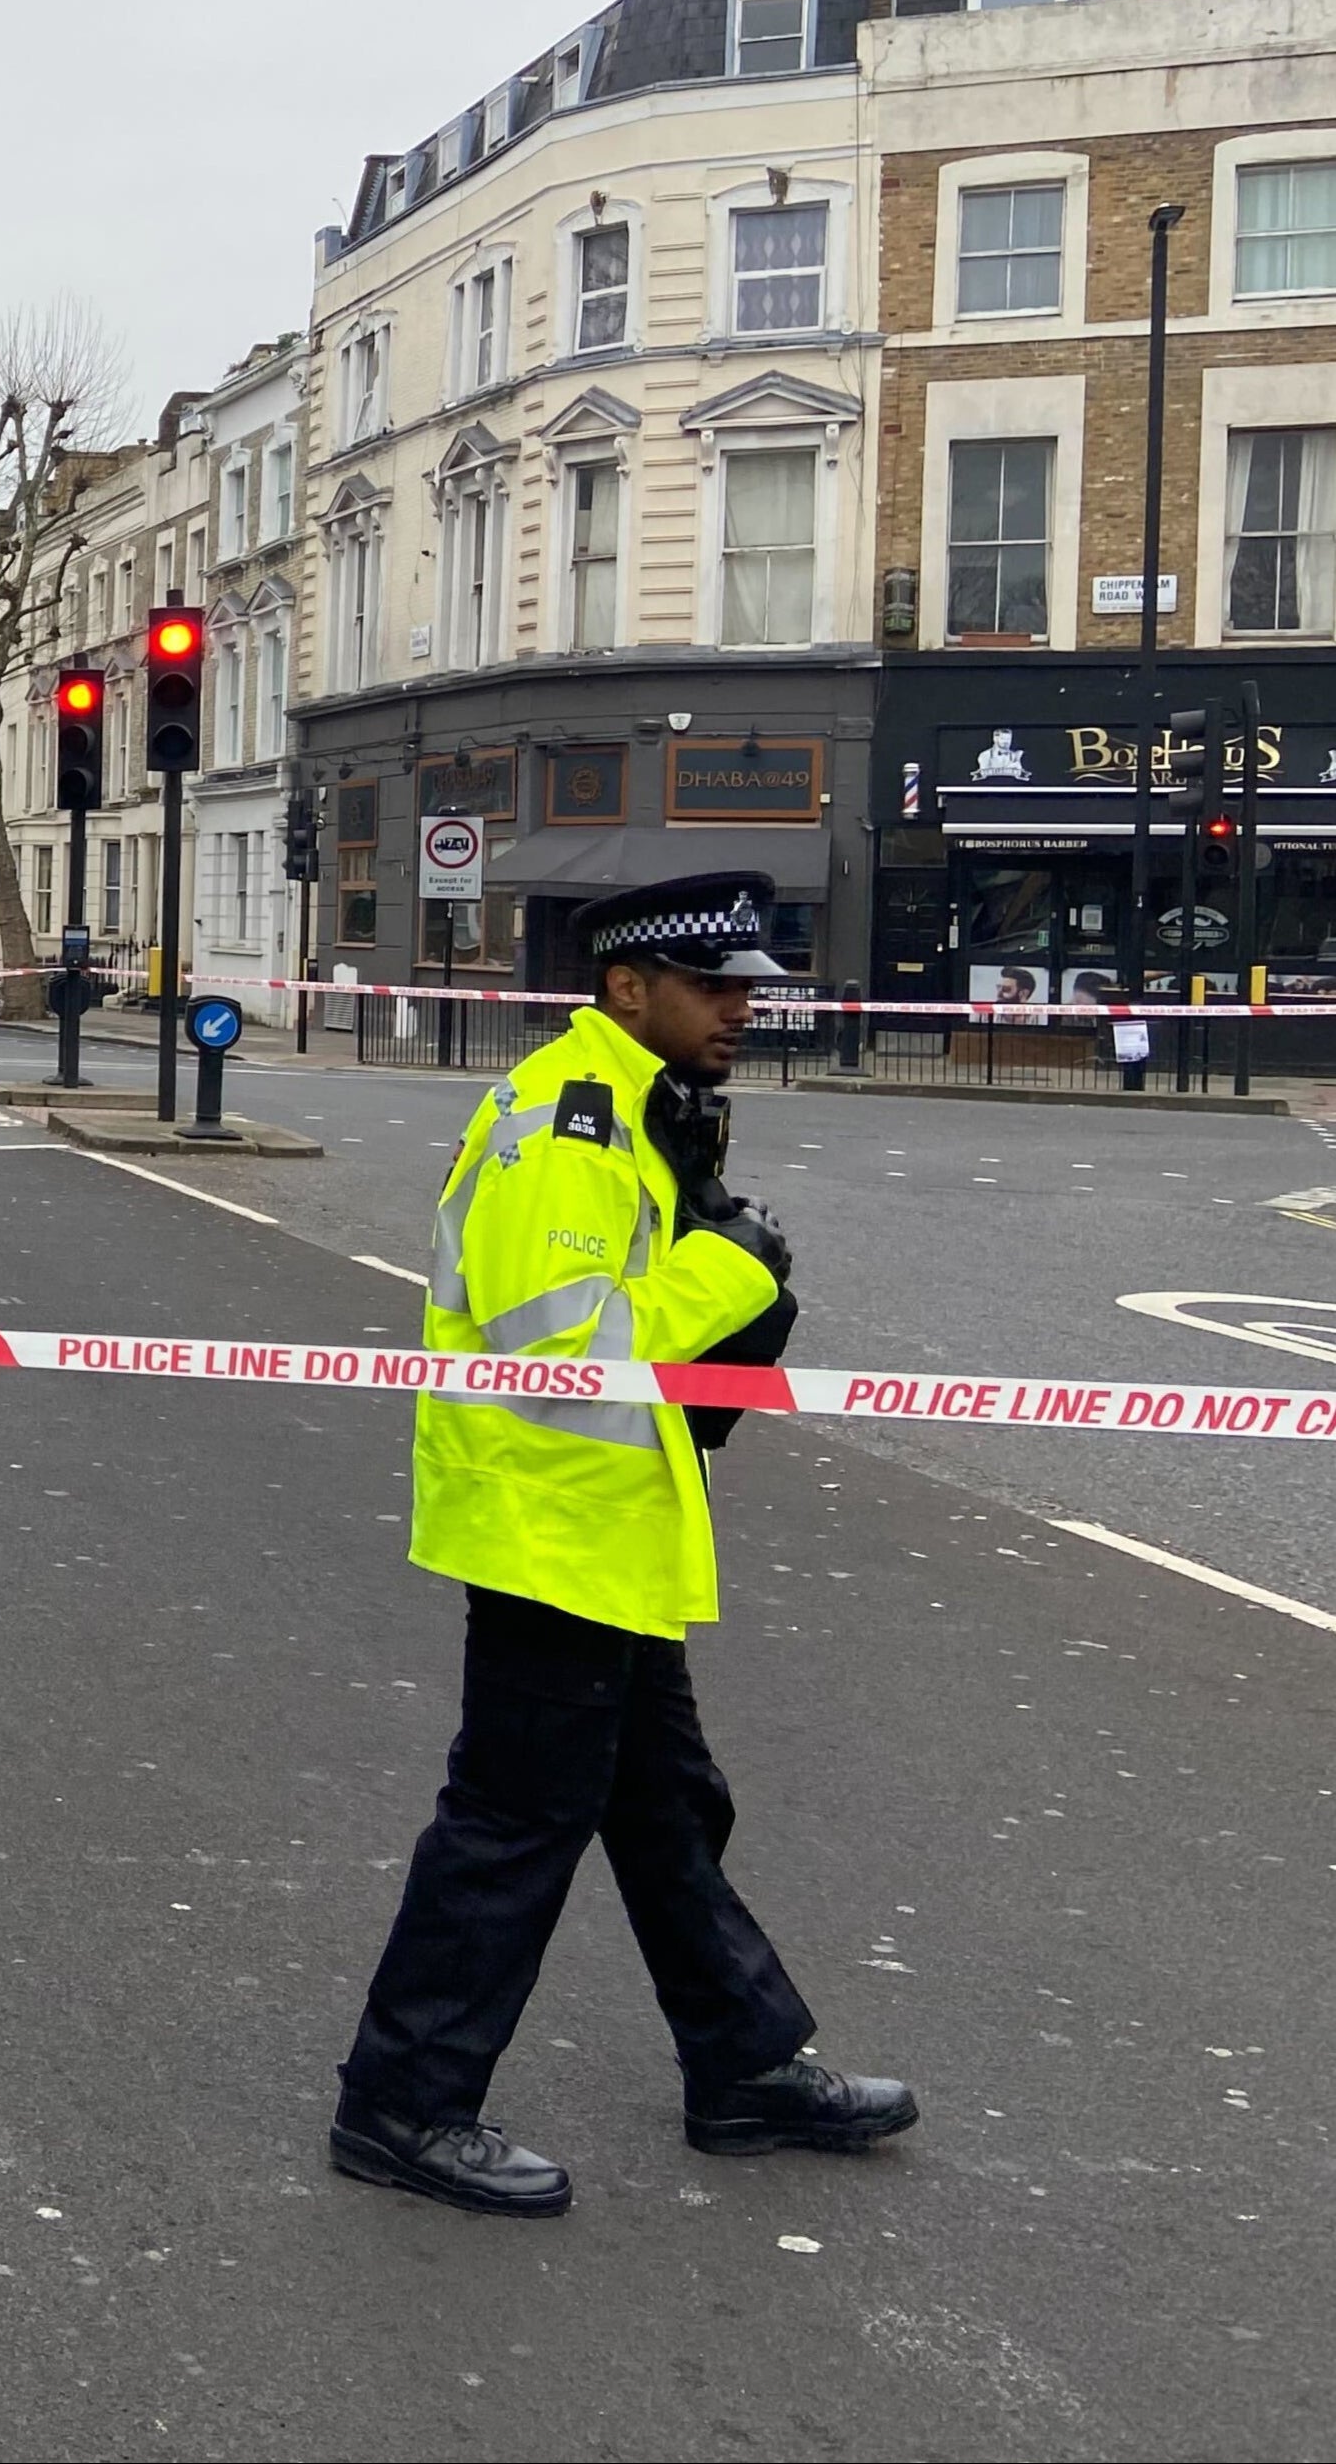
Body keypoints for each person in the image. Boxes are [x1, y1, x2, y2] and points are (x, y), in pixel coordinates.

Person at [330, 870, 912, 2219]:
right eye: (709, 986)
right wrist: (732, 1264)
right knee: (511, 1821)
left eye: (745, 988)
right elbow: (559, 1350)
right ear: (624, 987)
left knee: (661, 1809)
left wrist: (715, 1245)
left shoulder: (642, 1111)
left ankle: (743, 2063)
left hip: (603, 1528)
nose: (736, 1010)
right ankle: (400, 2101)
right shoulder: (571, 1123)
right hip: (547, 1522)